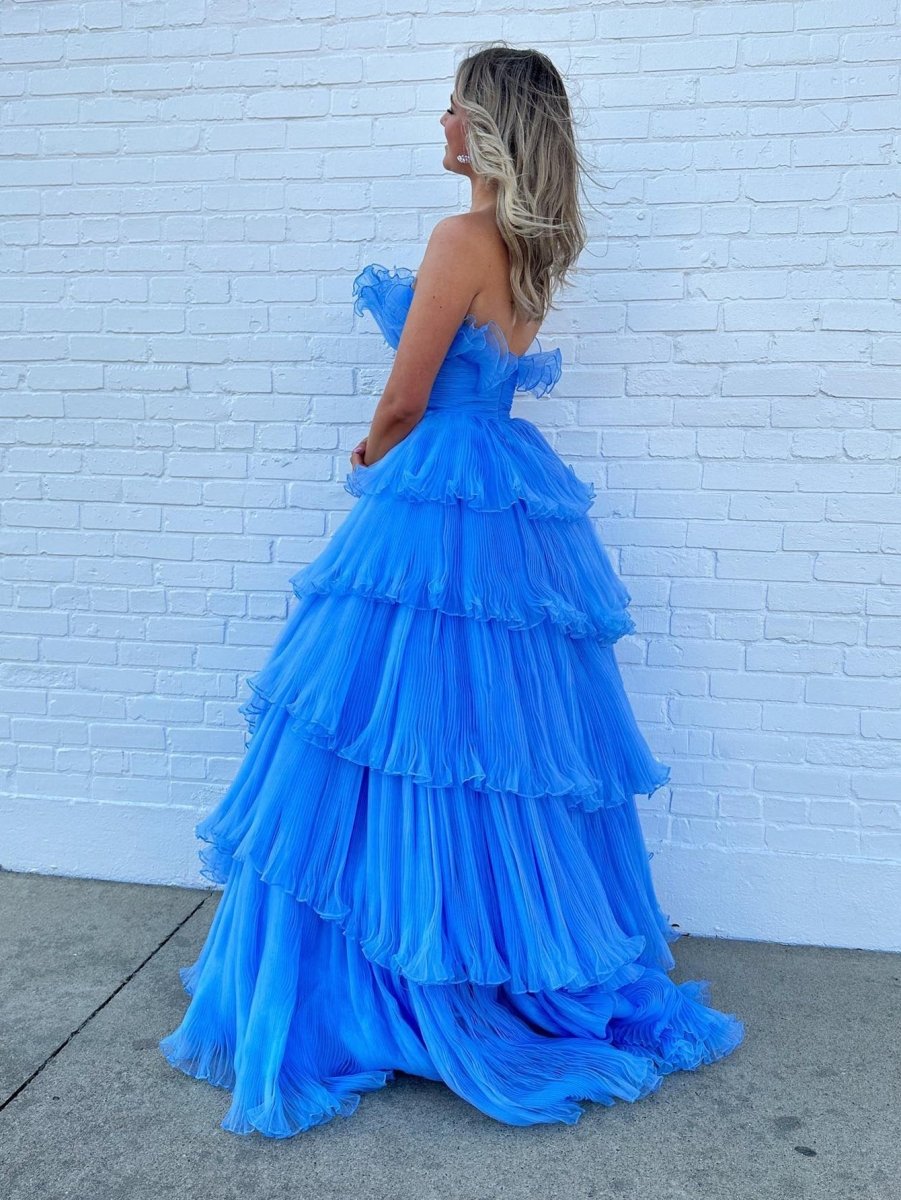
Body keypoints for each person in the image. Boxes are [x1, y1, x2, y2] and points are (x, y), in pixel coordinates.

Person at [158, 43, 744, 1139]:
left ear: (487, 128)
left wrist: (371, 455)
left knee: (385, 731)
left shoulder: (459, 238)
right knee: (484, 739)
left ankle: (383, 975)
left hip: (436, 490)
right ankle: (467, 953)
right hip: (505, 493)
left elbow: (404, 397)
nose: (439, 123)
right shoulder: (530, 248)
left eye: (452, 108)